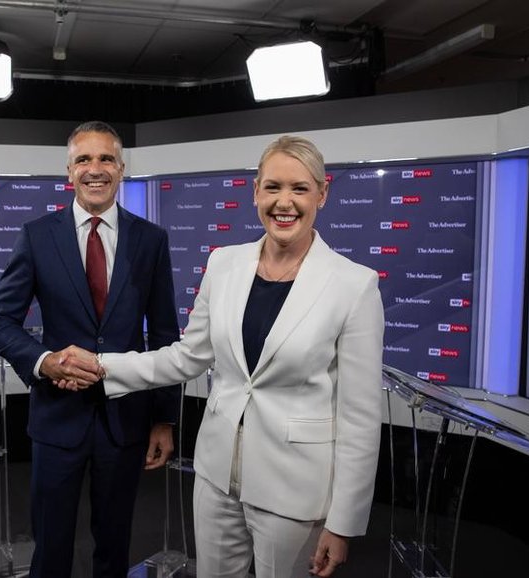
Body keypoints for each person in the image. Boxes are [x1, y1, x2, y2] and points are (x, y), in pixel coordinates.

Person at [57, 135, 385, 578]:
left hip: (295, 492)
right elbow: (187, 357)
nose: (283, 202)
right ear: (255, 193)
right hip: (215, 479)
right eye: (272, 188)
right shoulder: (224, 264)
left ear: (322, 194)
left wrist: (344, 523)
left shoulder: (354, 285)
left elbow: (360, 418)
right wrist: (102, 366)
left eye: (299, 189)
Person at [0, 121, 181, 578]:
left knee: (115, 544)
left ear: (122, 169)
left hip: (125, 422)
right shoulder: (37, 236)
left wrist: (164, 418)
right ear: (68, 172)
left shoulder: (151, 240)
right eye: (84, 160)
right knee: (50, 546)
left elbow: (166, 334)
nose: (96, 169)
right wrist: (44, 362)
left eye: (106, 159)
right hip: (57, 419)